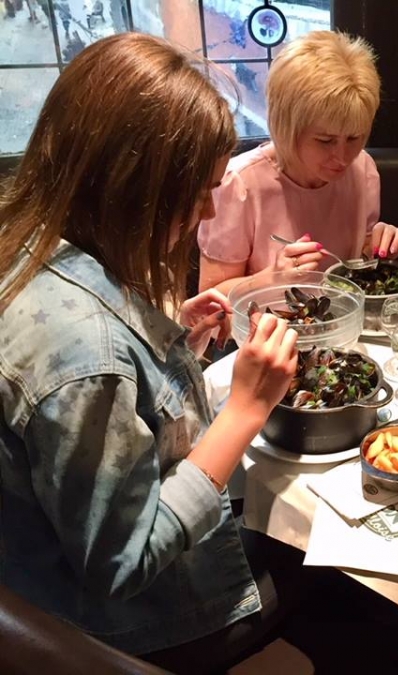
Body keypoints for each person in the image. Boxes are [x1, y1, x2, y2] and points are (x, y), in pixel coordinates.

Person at [0, 33, 305, 670]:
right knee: (325, 573)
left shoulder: (29, 245)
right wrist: (246, 409)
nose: (210, 209)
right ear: (132, 188)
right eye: (198, 190)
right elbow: (123, 564)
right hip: (116, 628)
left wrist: (167, 341)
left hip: (32, 565)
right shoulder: (85, 351)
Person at [198, 30, 398, 296]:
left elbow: (355, 263)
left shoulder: (363, 170)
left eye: (354, 137)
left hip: (343, 317)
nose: (343, 157)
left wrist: (376, 247)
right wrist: (272, 278)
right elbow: (210, 297)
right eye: (325, 140)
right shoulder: (238, 184)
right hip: (267, 321)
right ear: (285, 127)